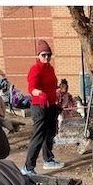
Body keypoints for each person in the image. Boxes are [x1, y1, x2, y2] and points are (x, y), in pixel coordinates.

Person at [22, 40, 62, 175]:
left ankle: (48, 160)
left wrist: (57, 92)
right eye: (44, 55)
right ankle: (28, 167)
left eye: (49, 55)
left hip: (51, 106)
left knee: (50, 133)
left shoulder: (50, 68)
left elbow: (52, 86)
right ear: (38, 55)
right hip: (39, 106)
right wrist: (39, 93)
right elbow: (31, 88)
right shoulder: (35, 69)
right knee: (38, 136)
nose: (46, 57)